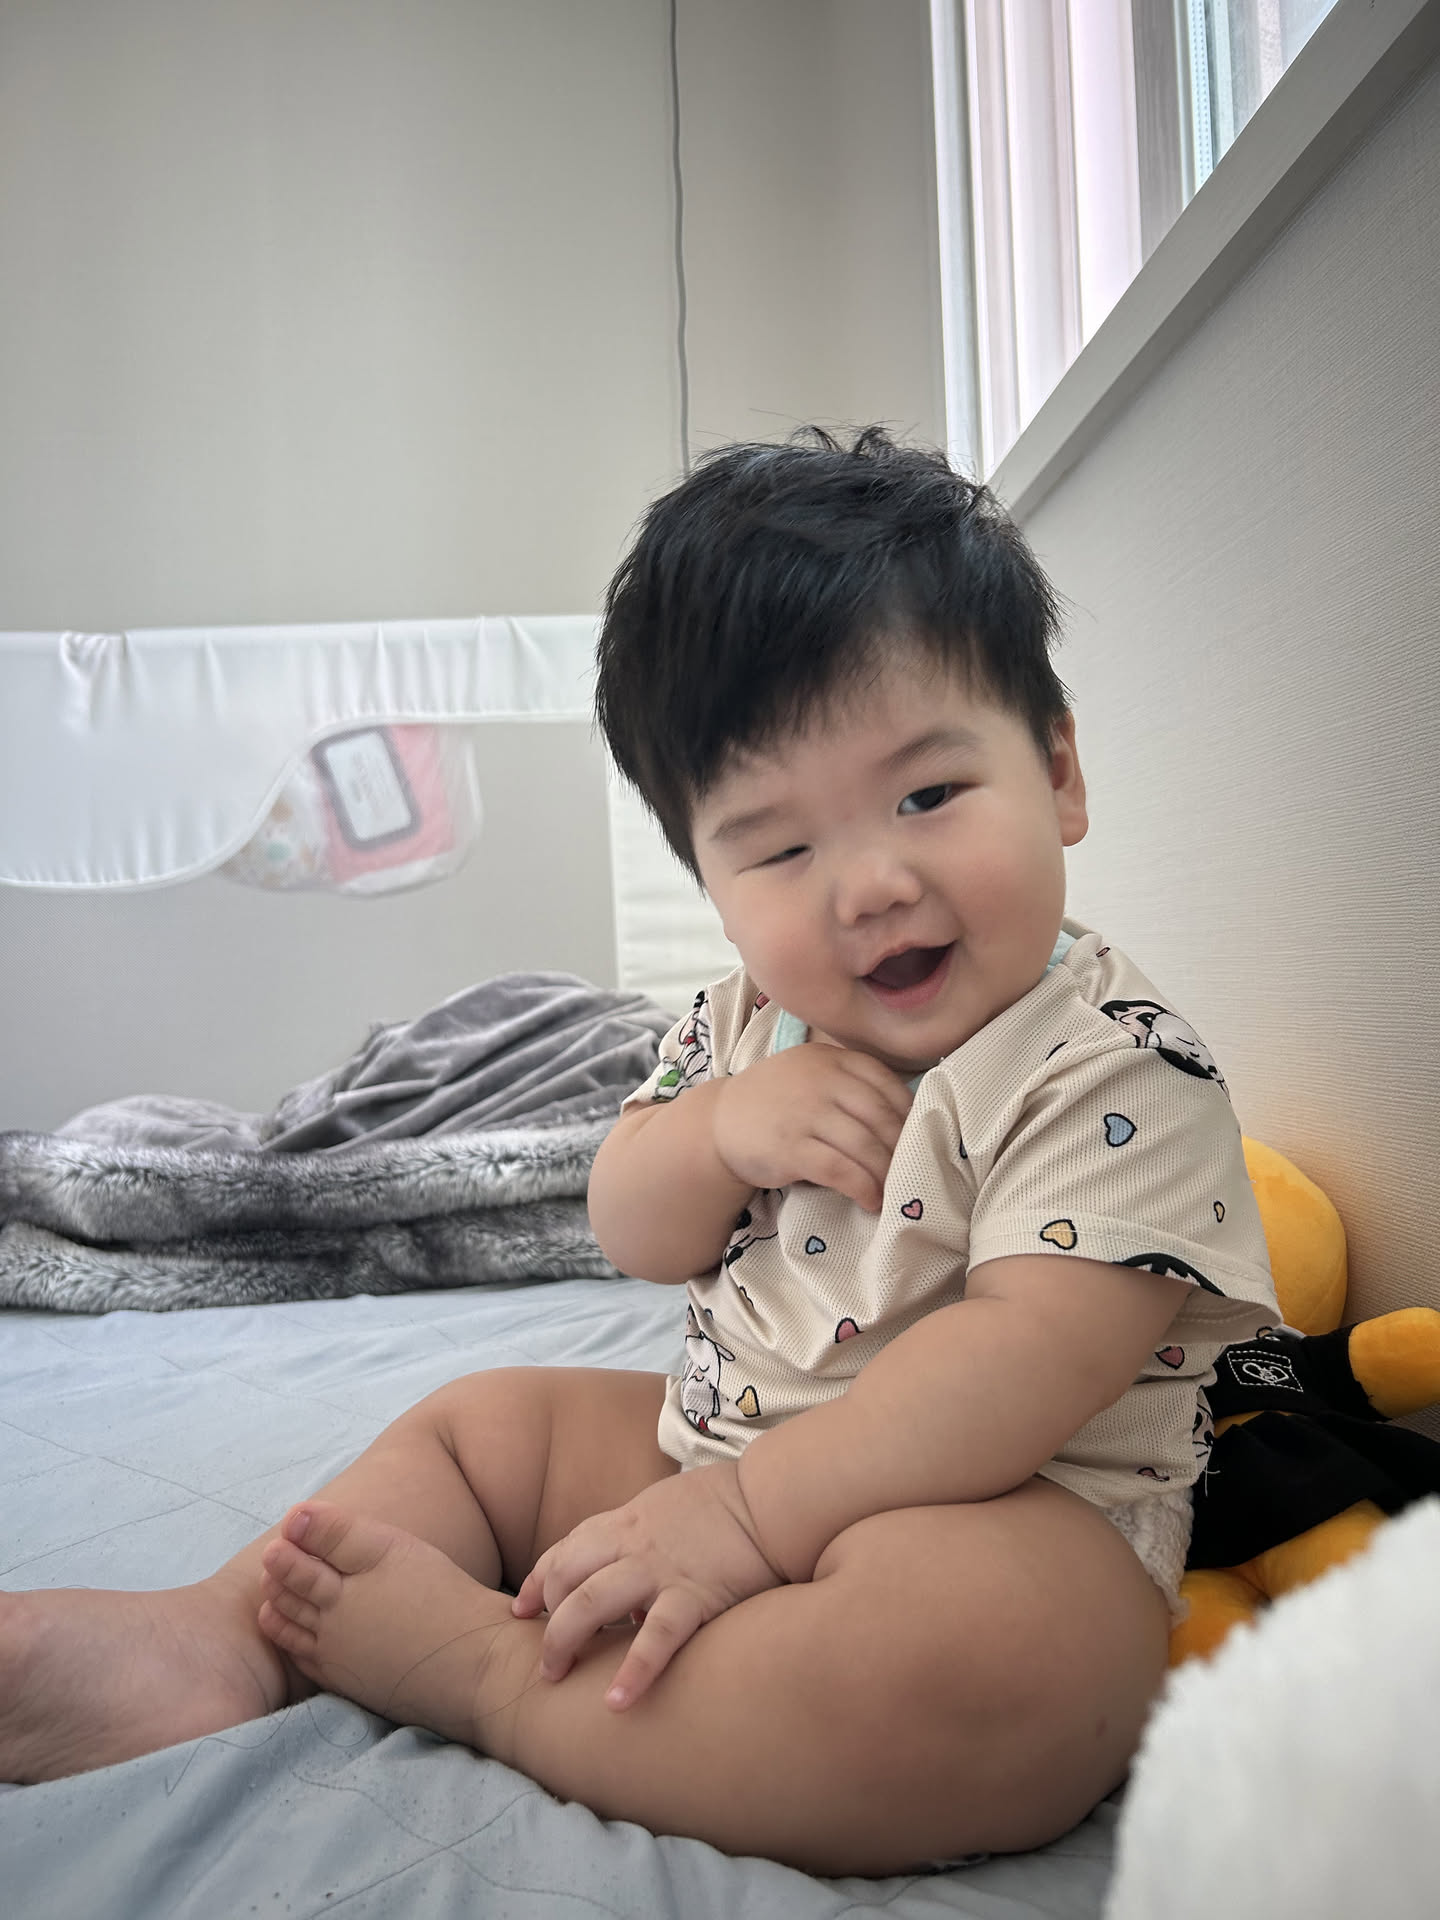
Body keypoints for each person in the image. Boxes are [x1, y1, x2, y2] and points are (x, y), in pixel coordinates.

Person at [0, 430, 1278, 1875]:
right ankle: (224, 1636)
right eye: (779, 851)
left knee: (990, 1658)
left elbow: (1022, 1363)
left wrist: (745, 1519)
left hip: (1002, 1510)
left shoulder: (1110, 1061)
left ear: (1057, 772)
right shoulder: (740, 1029)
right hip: (713, 1445)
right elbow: (634, 1228)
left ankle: (492, 1678)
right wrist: (717, 1132)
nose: (871, 884)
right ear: (714, 887)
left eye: (927, 796)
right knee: (486, 1427)